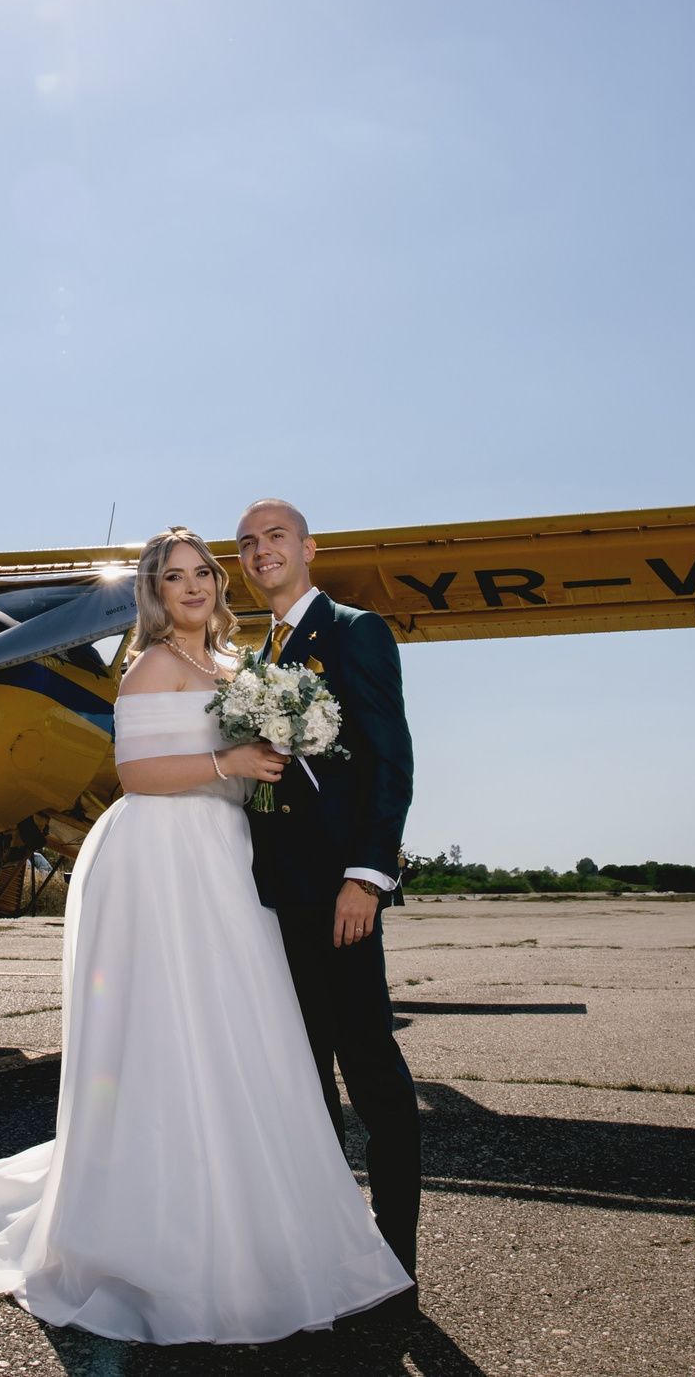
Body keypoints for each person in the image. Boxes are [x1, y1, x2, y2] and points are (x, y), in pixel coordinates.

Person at [0, 527, 413, 1344]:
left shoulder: (245, 669)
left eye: (202, 572)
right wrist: (229, 766)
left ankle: (251, 1213)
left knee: (243, 1035)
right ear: (156, 594)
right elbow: (135, 773)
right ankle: (161, 1226)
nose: (192, 586)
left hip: (231, 861)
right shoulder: (152, 666)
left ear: (217, 582)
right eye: (172, 578)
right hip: (164, 858)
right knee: (167, 1035)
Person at [235, 497, 422, 1301]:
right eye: (246, 542)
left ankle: (396, 1253)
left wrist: (366, 874)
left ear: (309, 547)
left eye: (275, 536)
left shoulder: (354, 631)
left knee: (370, 1068)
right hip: (271, 900)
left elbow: (389, 756)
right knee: (302, 1078)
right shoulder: (252, 658)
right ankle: (327, 1243)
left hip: (338, 895)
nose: (260, 550)